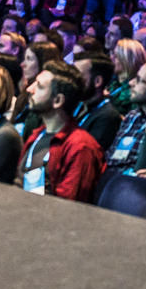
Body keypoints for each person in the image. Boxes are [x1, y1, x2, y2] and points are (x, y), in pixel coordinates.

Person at [19, 61, 105, 201]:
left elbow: (68, 208)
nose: (30, 89)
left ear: (58, 100)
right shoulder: (37, 135)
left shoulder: (81, 147)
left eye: (39, 87)